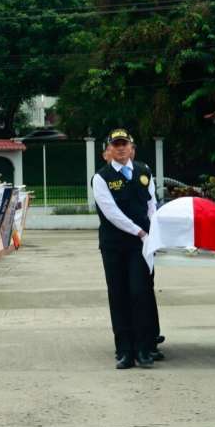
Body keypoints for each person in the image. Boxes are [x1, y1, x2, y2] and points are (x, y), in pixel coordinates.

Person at [92, 129, 159, 369]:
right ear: (108, 151)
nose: (120, 148)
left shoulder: (144, 172)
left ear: (132, 148)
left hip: (141, 245)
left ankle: (144, 349)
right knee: (118, 294)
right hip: (115, 244)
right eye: (116, 145)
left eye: (125, 144)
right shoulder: (101, 177)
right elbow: (111, 213)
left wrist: (153, 232)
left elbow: (152, 204)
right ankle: (124, 350)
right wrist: (140, 231)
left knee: (140, 293)